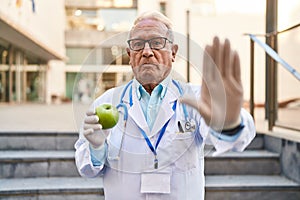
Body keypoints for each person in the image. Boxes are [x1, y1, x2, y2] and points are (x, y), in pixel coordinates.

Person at [75, 10, 256, 200]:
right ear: (130, 55)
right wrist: (96, 147)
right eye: (138, 45)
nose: (146, 52)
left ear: (173, 53)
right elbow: (87, 169)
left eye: (156, 43)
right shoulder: (106, 102)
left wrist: (228, 123)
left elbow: (236, 141)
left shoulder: (195, 99)